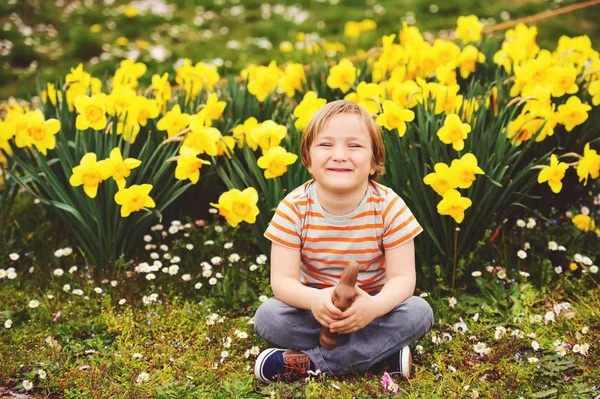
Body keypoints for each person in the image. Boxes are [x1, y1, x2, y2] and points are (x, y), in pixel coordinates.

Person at [253, 100, 434, 383]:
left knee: (419, 313)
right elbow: (282, 281)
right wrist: (315, 300)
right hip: (315, 312)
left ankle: (313, 363)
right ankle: (381, 354)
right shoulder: (293, 208)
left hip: (373, 311)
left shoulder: (389, 207)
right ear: (308, 160)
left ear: (374, 161)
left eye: (354, 146)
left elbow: (403, 278)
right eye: (326, 145)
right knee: (268, 317)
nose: (339, 155)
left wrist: (373, 307)